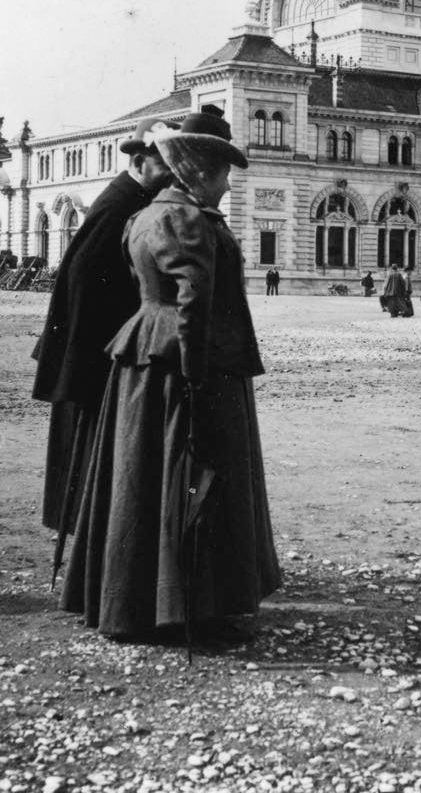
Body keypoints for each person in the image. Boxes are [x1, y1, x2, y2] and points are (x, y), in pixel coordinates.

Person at [60, 109, 281, 640]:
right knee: (193, 474)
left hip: (143, 362)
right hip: (186, 364)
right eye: (224, 172)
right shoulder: (186, 220)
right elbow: (193, 304)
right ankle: (191, 610)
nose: (230, 184)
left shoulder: (146, 215)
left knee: (142, 477)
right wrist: (196, 373)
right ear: (201, 171)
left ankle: (132, 602)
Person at [32, 117, 180, 578]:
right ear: (139, 161)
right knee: (86, 455)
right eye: (164, 164)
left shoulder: (134, 198)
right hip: (89, 356)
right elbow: (82, 283)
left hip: (90, 350)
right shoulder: (121, 205)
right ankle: (88, 559)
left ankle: (91, 555)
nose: (173, 173)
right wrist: (98, 353)